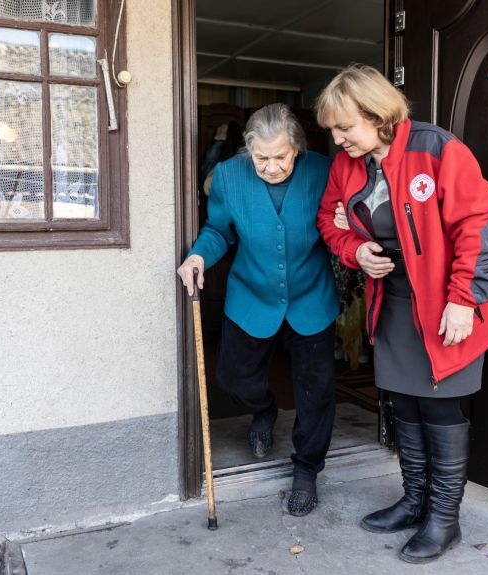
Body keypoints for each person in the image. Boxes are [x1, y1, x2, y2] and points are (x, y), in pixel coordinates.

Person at [315, 65, 488, 563]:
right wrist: (356, 251)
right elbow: (329, 220)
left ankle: (444, 519)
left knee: (440, 408)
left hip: (447, 304)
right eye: (333, 130)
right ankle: (415, 500)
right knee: (404, 402)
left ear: (377, 114)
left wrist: (466, 299)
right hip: (394, 301)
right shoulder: (346, 166)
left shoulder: (437, 149)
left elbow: (476, 226)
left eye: (345, 127)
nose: (338, 140)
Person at [177, 103, 339, 517]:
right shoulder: (230, 177)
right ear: (249, 151)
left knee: (314, 393)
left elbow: (343, 224)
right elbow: (218, 231)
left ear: (297, 149)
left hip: (311, 296)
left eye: (279, 156)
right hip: (251, 295)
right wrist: (198, 257)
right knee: (233, 376)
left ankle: (306, 471)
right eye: (261, 157)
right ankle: (264, 410)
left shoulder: (325, 171)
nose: (270, 167)